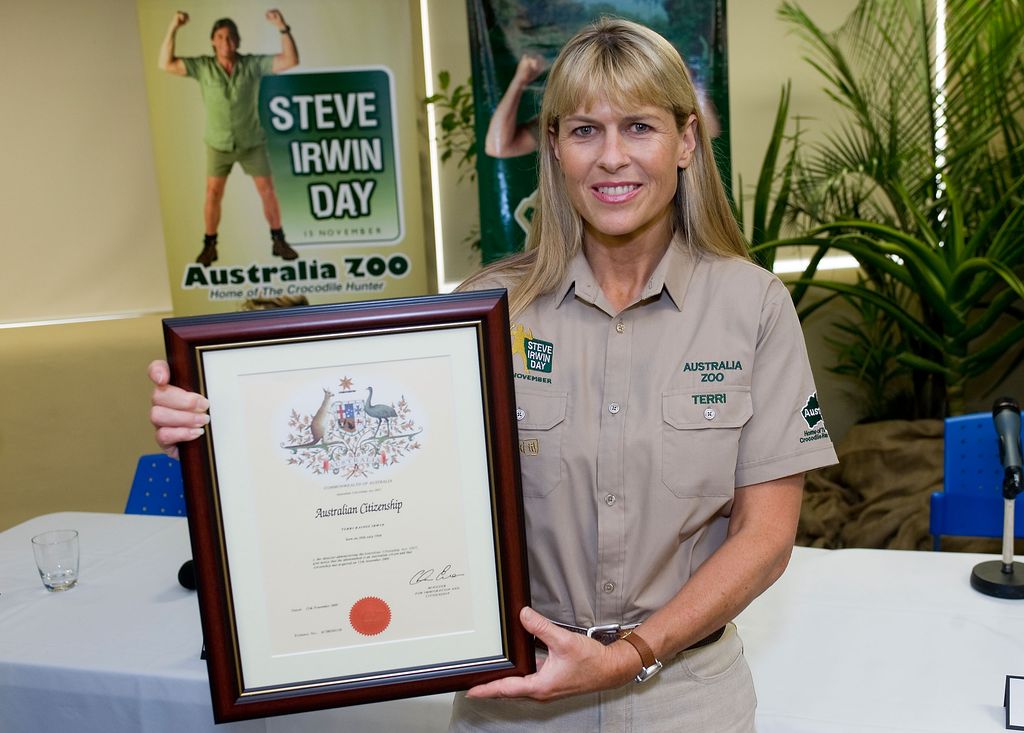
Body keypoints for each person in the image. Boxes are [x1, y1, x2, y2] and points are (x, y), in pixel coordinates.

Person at [149, 18, 837, 732]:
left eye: (639, 127)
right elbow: (374, 468)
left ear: (686, 141)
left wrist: (632, 652)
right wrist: (218, 435)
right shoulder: (482, 315)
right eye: (583, 131)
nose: (611, 158)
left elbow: (765, 535)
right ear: (554, 148)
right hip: (515, 696)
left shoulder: (753, 307)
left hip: (687, 695)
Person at [158, 9, 300, 266]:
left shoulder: (251, 65)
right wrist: (173, 28)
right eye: (221, 37)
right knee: (213, 193)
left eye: (231, 37)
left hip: (251, 143)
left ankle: (278, 240)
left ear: (238, 41)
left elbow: (290, 60)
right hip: (218, 145)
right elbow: (165, 64)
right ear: (213, 40)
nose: (226, 42)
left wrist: (282, 27)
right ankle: (209, 245)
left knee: (267, 191)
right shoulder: (203, 67)